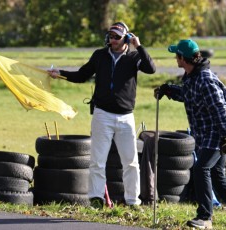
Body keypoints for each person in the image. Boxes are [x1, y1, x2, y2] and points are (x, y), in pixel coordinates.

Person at [48, 22, 156, 208]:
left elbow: (151, 68)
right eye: (110, 36)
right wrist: (61, 74)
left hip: (125, 117)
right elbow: (82, 75)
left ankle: (133, 201)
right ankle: (96, 198)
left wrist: (138, 45)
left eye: (116, 37)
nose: (112, 40)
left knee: (130, 162)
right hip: (102, 115)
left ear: (126, 39)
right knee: (98, 160)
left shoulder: (134, 57)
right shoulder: (99, 55)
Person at [154, 39, 226, 229]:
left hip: (217, 135)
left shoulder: (205, 80)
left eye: (177, 56)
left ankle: (205, 217)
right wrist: (169, 90)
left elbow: (220, 109)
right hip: (208, 134)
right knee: (216, 174)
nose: (175, 59)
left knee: (201, 169)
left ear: (183, 58)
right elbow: (188, 95)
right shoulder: (192, 77)